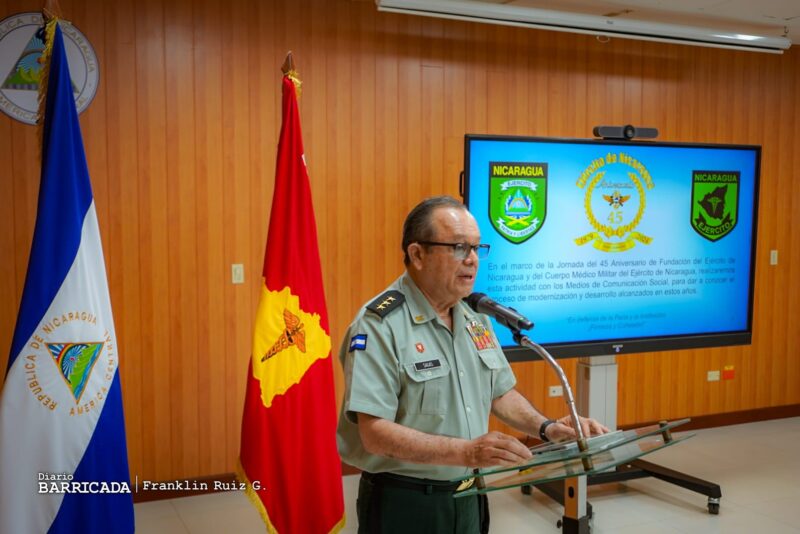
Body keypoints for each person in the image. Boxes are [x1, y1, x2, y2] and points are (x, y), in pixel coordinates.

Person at [337, 196, 608, 534]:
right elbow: (374, 434)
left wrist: (547, 428)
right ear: (417, 254)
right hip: (405, 501)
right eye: (458, 247)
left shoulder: (473, 317)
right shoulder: (379, 324)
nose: (472, 259)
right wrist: (466, 452)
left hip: (469, 494)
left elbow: (499, 393)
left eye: (477, 248)